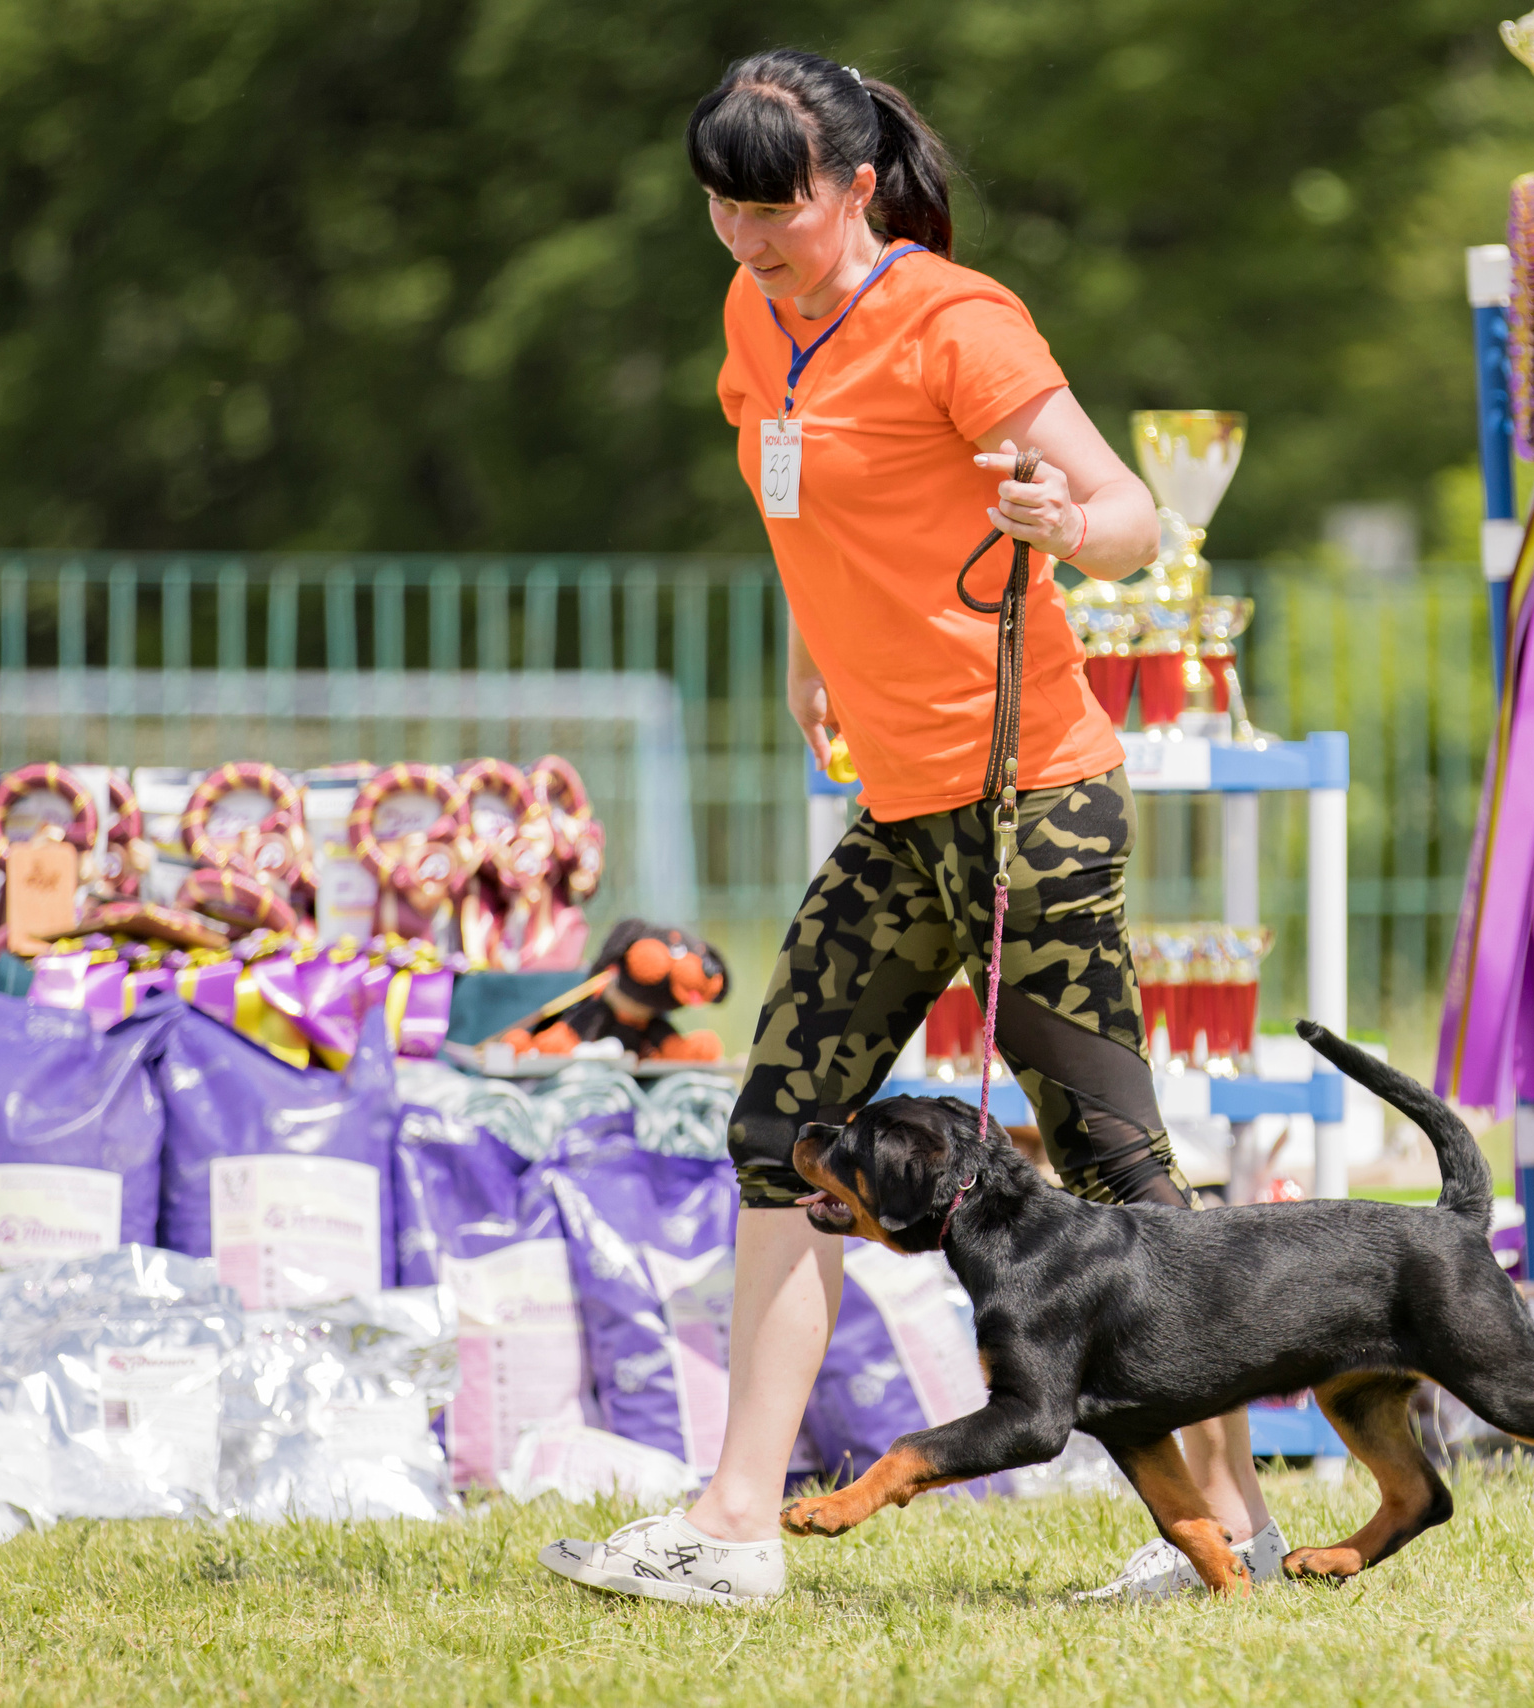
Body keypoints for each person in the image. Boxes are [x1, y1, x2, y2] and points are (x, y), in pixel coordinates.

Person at [539, 48, 1279, 1607]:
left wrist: (1061, 526)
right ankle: (737, 1527)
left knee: (1118, 1176)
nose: (748, 240)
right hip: (899, 807)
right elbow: (795, 495)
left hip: (1033, 803)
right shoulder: (755, 314)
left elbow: (1135, 509)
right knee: (779, 1131)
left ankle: (1238, 1535)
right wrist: (817, 644)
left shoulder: (959, 322)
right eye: (722, 209)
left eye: (779, 209)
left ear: (858, 187)